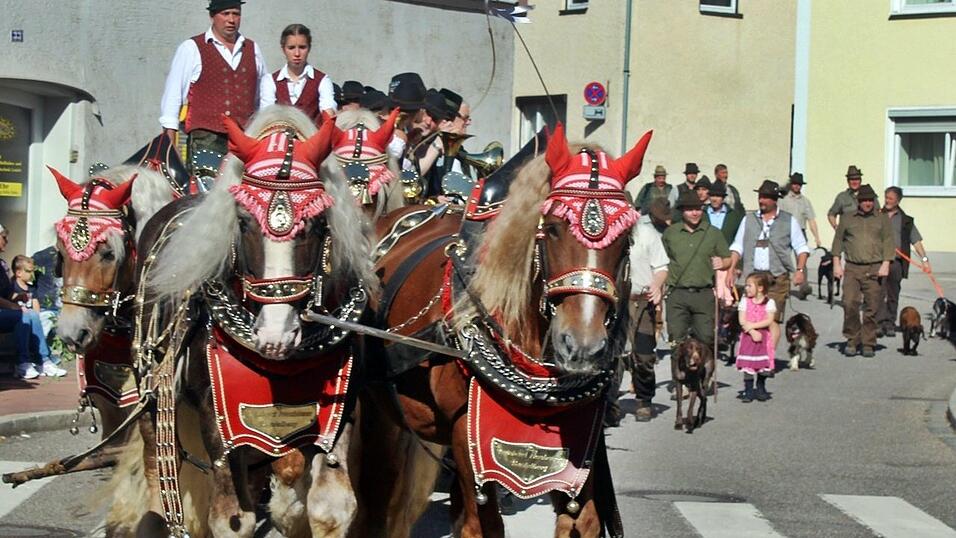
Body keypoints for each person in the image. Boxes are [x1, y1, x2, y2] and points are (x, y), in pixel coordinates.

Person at [159, 0, 267, 170]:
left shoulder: (253, 49)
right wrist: (170, 144)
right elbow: (173, 96)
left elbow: (263, 98)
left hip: (246, 141)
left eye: (236, 13)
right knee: (205, 194)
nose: (231, 19)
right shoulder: (192, 48)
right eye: (225, 14)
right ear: (212, 16)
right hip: (206, 140)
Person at [727, 180, 810, 349]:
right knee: (749, 318)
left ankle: (767, 357)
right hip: (752, 277)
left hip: (777, 278)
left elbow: (801, 248)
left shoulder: (788, 221)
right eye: (760, 196)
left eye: (766, 197)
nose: (761, 200)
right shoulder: (748, 220)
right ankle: (753, 353)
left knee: (772, 320)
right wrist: (730, 269)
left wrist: (800, 270)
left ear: (775, 199)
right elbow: (737, 246)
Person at [662, 191, 732, 353]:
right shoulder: (671, 233)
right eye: (690, 209)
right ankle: (678, 378)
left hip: (704, 294)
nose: (695, 213)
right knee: (676, 340)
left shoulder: (713, 232)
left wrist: (722, 262)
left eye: (698, 209)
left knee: (706, 339)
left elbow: (728, 258)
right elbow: (661, 264)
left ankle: (702, 377)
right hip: (677, 294)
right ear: (682, 211)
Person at [831, 184, 895, 357]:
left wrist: (886, 263)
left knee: (872, 307)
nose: (867, 203)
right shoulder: (847, 218)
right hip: (852, 267)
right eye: (864, 200)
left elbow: (889, 241)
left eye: (870, 200)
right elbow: (838, 241)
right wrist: (837, 263)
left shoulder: (882, 219)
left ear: (874, 201)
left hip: (875, 267)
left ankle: (868, 342)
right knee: (849, 303)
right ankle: (852, 339)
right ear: (858, 201)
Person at [0, 228, 65, 378]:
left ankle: (43, 361)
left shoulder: (2, 265)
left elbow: (6, 294)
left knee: (32, 315)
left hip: (5, 311)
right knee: (24, 316)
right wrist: (14, 306)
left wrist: (18, 297)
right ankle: (24, 362)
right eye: (3, 237)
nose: (7, 241)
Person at [627, 199, 670, 422]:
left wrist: (656, 285)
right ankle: (608, 404)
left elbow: (662, 268)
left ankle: (644, 400)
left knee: (643, 355)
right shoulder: (604, 236)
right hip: (614, 301)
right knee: (613, 357)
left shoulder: (647, 234)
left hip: (642, 301)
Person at [877, 186, 930, 338]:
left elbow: (916, 241)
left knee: (893, 294)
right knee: (879, 293)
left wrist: (925, 260)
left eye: (890, 198)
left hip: (897, 262)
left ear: (898, 200)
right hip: (879, 261)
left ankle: (890, 323)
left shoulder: (906, 220)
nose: (887, 201)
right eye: (886, 197)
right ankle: (879, 323)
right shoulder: (877, 215)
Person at [258, 24, 336, 124]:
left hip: (313, 138)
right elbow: (266, 115)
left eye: (302, 47)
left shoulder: (322, 80)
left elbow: (328, 112)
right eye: (291, 48)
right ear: (283, 49)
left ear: (309, 48)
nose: (297, 54)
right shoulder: (270, 81)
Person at [736, 272, 777, 403]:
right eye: (746, 285)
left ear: (760, 288)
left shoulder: (769, 303)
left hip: (763, 338)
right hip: (748, 337)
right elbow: (742, 320)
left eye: (749, 286)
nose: (746, 288)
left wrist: (753, 325)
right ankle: (748, 390)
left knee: (762, 365)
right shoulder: (745, 302)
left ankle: (760, 387)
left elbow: (769, 320)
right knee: (748, 365)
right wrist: (752, 331)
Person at [706, 180, 743, 307]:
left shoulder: (734, 216)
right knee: (708, 298)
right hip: (706, 262)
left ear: (723, 198)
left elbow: (739, 241)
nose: (715, 199)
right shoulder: (702, 214)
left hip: (727, 262)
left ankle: (723, 325)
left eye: (718, 196)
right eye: (712, 196)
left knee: (726, 299)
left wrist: (738, 266)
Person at [828, 165, 879, 229]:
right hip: (848, 236)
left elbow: (878, 213)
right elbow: (831, 214)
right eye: (852, 179)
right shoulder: (842, 197)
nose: (854, 182)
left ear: (860, 180)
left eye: (857, 179)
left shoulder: (869, 194)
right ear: (848, 181)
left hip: (868, 233)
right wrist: (836, 227)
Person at [778, 172, 821, 248]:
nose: (797, 186)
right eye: (795, 184)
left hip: (800, 233)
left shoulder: (805, 201)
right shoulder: (783, 199)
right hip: (785, 233)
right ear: (791, 184)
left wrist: (817, 237)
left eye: (799, 184)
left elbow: (811, 220)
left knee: (801, 257)